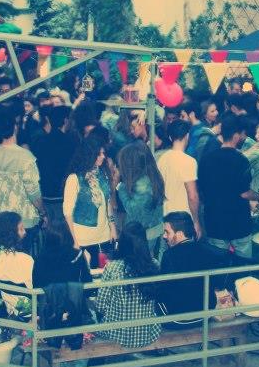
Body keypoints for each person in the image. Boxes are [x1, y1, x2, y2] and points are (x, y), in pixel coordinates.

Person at [0, 117, 46, 252]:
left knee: (3, 257)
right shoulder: (26, 157)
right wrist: (43, 212)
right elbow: (33, 192)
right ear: (15, 128)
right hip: (24, 220)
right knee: (23, 257)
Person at [198, 115, 259, 259]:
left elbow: (201, 189)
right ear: (236, 136)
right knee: (243, 262)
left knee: (218, 261)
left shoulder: (206, 159)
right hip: (238, 221)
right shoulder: (241, 160)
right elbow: (244, 193)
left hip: (214, 220)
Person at [96, 222, 162, 348]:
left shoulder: (113, 267)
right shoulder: (154, 264)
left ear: (123, 243)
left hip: (117, 335)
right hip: (148, 333)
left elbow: (100, 305)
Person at [157, 212, 222, 329]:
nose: (164, 236)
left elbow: (163, 289)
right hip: (206, 314)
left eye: (167, 232)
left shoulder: (169, 255)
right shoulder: (208, 251)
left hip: (177, 320)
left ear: (180, 234)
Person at [63, 137, 117, 268]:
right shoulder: (74, 179)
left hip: (104, 237)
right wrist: (74, 241)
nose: (103, 156)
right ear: (89, 155)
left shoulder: (103, 174)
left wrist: (113, 228)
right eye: (99, 154)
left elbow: (107, 203)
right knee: (87, 275)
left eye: (103, 153)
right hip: (82, 239)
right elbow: (67, 213)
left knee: (104, 273)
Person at [30, 105, 80, 222]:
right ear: (66, 120)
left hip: (45, 193)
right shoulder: (71, 142)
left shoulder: (41, 141)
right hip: (64, 194)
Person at [115, 142, 166, 252]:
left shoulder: (142, 186)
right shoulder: (152, 177)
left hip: (143, 240)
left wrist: (120, 187)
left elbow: (134, 211)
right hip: (154, 233)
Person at [156, 120, 202, 239]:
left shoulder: (162, 159)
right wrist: (196, 221)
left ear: (170, 137)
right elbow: (192, 196)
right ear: (187, 135)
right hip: (183, 219)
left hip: (165, 217)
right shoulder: (189, 162)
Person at [0, 211, 34, 317]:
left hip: (6, 311)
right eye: (21, 229)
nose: (25, 232)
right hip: (29, 312)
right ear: (11, 234)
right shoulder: (26, 260)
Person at [33, 217, 92, 288]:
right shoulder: (77, 255)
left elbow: (36, 285)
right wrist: (87, 263)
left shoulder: (40, 258)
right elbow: (88, 283)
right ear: (68, 234)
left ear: (48, 236)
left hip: (46, 295)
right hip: (73, 294)